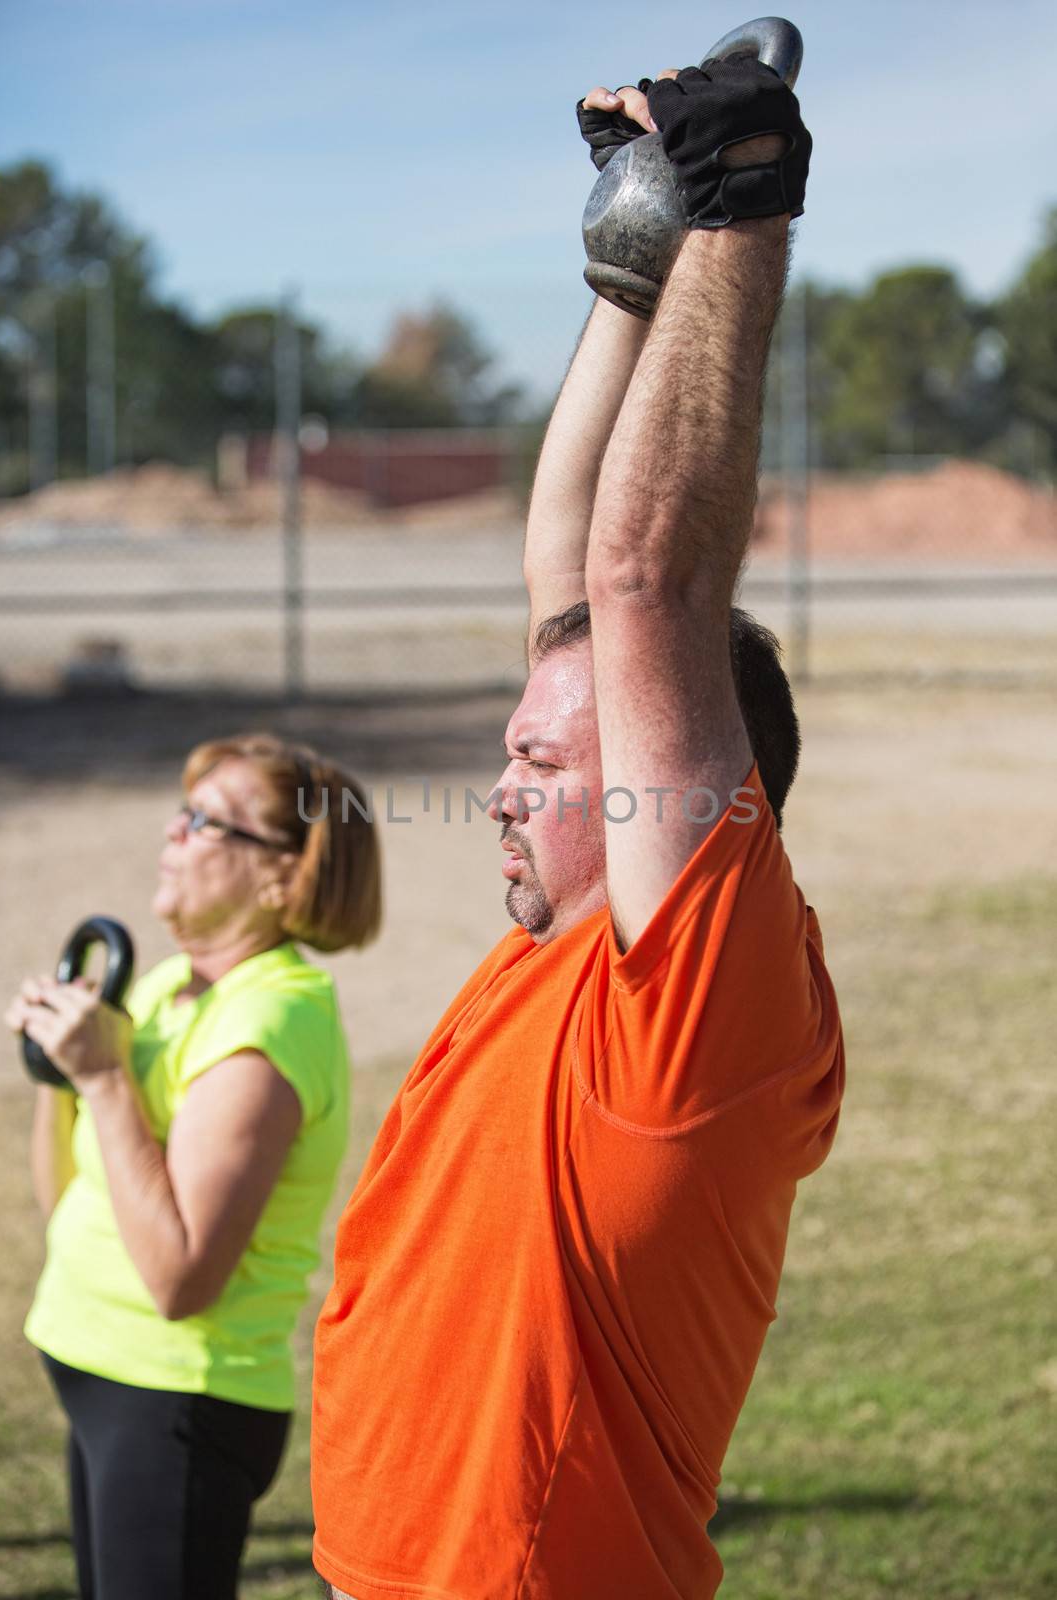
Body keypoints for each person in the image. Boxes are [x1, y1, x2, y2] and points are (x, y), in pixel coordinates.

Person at [310, 59, 843, 1600]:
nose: (497, 785)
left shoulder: (692, 1009)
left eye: (542, 757)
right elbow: (570, 555)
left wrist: (735, 187)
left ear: (664, 786)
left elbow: (641, 578)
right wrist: (629, 264)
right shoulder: (570, 950)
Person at [5, 732, 381, 1600]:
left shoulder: (271, 1023)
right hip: (100, 1372)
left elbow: (182, 1279)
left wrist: (103, 1076)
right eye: (184, 811)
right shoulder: (165, 985)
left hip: (176, 1401)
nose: (175, 833)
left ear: (282, 874)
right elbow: (70, 1202)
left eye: (212, 823)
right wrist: (58, 1071)